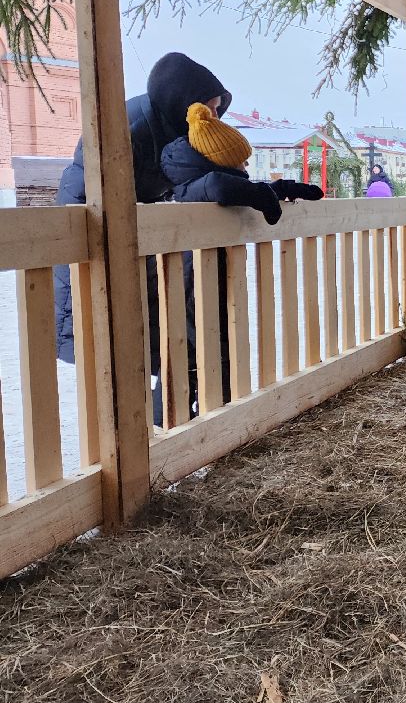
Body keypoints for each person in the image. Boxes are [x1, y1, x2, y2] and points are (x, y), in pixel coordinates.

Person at [52, 52, 231, 426]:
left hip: (141, 245)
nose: (213, 120)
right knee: (117, 343)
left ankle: (164, 417)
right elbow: (100, 197)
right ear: (184, 103)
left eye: (217, 111)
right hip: (94, 250)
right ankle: (141, 430)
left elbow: (195, 183)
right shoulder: (127, 129)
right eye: (209, 109)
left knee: (165, 327)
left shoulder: (177, 133)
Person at [159, 104, 323, 409]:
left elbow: (230, 186)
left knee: (207, 349)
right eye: (240, 163)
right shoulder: (199, 185)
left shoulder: (195, 177)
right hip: (193, 283)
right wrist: (261, 194)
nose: (246, 170)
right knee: (201, 353)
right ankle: (211, 418)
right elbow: (220, 186)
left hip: (203, 279)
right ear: (219, 161)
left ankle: (212, 415)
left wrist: (275, 189)